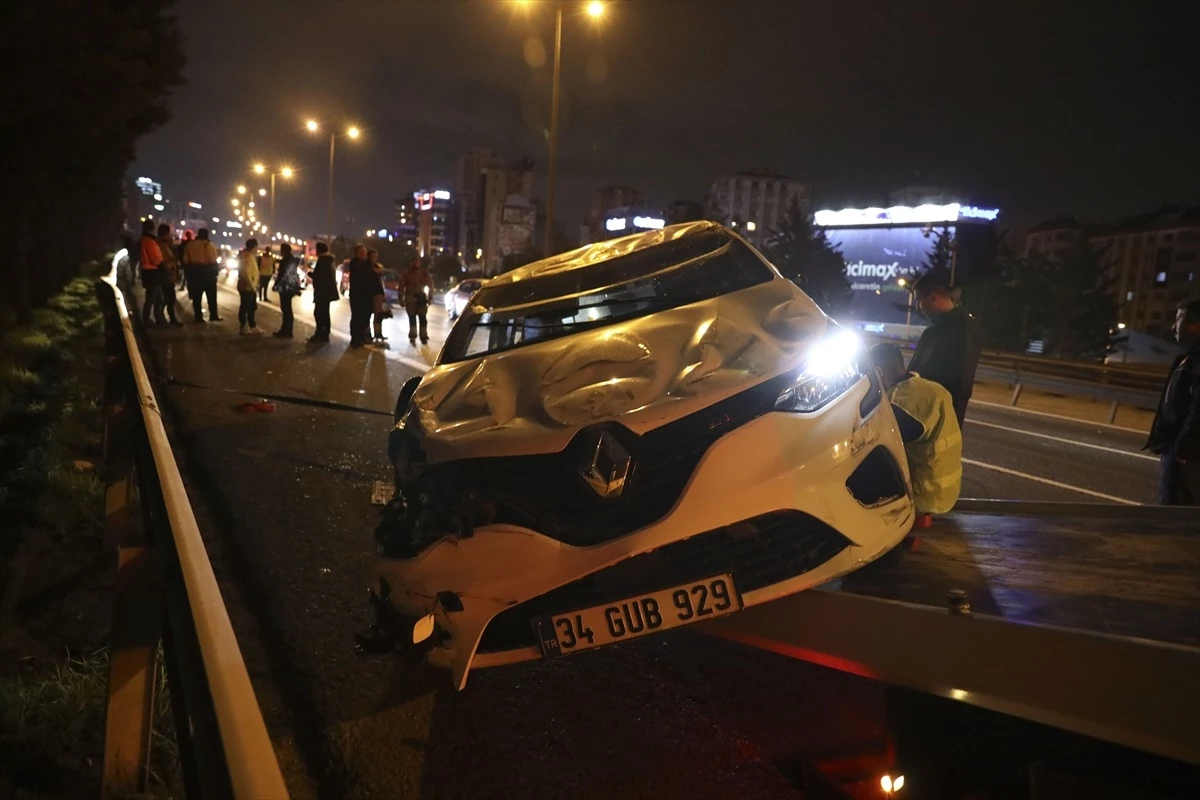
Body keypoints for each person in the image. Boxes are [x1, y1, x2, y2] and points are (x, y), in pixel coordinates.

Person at [870, 343, 962, 525]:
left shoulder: (901, 401)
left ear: (879, 373)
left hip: (923, 496)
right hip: (946, 492)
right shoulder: (930, 389)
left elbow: (877, 441)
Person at [907, 271, 985, 426]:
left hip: (937, 415)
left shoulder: (954, 330)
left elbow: (958, 381)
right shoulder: (963, 326)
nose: (918, 307)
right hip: (938, 413)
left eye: (919, 300)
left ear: (933, 298)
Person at [1146, 298, 1200, 505]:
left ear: (1195, 323)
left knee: (1174, 516)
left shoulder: (1196, 360)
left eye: (1178, 319)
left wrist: (1183, 450)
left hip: (1187, 455)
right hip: (1180, 450)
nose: (1173, 325)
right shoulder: (1189, 358)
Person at [182, 228, 222, 322]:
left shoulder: (190, 245)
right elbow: (213, 260)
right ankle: (213, 315)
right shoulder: (209, 245)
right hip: (208, 273)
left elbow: (185, 260)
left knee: (197, 297)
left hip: (194, 273)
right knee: (211, 296)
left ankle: (198, 316)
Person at [138, 219, 167, 328]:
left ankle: (155, 319)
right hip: (152, 272)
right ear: (152, 229)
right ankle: (148, 320)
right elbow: (156, 258)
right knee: (153, 298)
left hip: (147, 271)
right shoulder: (149, 241)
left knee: (157, 298)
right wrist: (163, 268)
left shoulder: (143, 240)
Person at [347, 244, 377, 347]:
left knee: (365, 317)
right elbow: (363, 274)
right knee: (357, 317)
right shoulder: (355, 263)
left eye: (363, 251)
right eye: (360, 252)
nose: (362, 253)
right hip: (357, 295)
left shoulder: (366, 264)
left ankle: (362, 337)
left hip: (366, 295)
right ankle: (355, 339)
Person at [399, 256, 433, 345]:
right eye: (414, 262)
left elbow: (430, 285)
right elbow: (401, 286)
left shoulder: (424, 273)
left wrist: (430, 297)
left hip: (421, 298)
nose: (415, 264)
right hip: (410, 298)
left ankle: (423, 336)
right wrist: (401, 298)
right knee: (412, 318)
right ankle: (413, 336)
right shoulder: (406, 274)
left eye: (417, 262)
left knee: (422, 318)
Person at [156, 223, 184, 327]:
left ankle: (169, 318)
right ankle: (164, 319)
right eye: (169, 233)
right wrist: (170, 268)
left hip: (169, 275)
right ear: (165, 233)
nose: (171, 235)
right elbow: (164, 260)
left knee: (169, 298)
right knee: (167, 298)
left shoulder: (166, 244)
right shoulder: (161, 245)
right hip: (165, 275)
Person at [309, 241, 337, 343]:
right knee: (325, 313)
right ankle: (325, 333)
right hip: (327, 292)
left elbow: (320, 277)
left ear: (319, 250)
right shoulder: (330, 260)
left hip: (322, 292)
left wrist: (311, 275)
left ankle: (320, 333)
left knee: (319, 313)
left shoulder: (323, 260)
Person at [273, 243, 302, 338]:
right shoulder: (293, 260)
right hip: (291, 286)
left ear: (283, 251)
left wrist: (276, 284)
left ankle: (286, 330)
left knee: (286, 309)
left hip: (285, 287)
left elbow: (282, 274)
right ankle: (288, 329)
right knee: (288, 308)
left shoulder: (285, 261)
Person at [236, 238, 263, 334]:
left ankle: (252, 325)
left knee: (251, 307)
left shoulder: (250, 256)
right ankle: (244, 326)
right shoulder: (246, 256)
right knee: (245, 307)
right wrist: (252, 286)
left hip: (250, 287)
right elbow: (245, 273)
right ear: (254, 246)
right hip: (247, 287)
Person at [367, 248, 389, 343]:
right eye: (372, 256)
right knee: (367, 315)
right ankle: (368, 334)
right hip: (368, 293)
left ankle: (378, 333)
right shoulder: (366, 266)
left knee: (378, 315)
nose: (374, 258)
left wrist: (382, 294)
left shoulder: (378, 267)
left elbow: (380, 282)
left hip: (377, 293)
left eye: (375, 256)